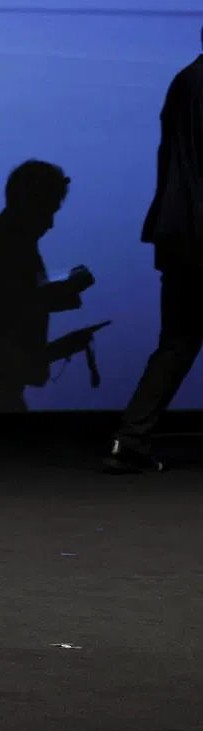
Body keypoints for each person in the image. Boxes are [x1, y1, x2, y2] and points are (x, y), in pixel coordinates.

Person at [105, 32, 203, 473]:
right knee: (178, 343)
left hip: (179, 233)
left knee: (177, 343)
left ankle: (130, 441)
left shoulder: (184, 81)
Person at [0, 161, 102, 413]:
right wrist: (64, 295)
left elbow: (11, 315)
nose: (50, 224)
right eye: (48, 211)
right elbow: (13, 312)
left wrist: (60, 346)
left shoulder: (4, 240)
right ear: (31, 202)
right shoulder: (8, 245)